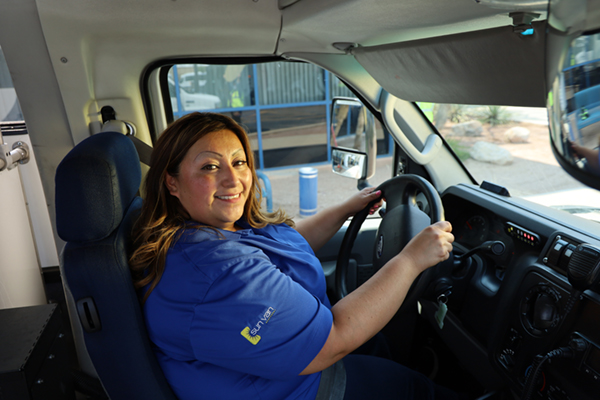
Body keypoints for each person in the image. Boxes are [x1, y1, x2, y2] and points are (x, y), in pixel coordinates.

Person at [130, 112, 458, 400]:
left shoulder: (207, 228)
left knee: (385, 351)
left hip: (293, 368)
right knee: (414, 388)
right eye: (210, 166)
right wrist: (412, 259)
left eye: (239, 161)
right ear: (172, 183)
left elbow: (285, 244)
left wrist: (345, 209)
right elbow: (334, 339)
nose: (233, 179)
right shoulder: (218, 274)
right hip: (301, 388)